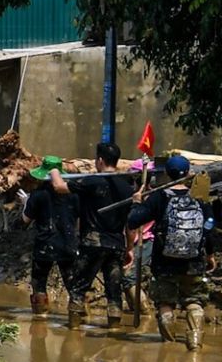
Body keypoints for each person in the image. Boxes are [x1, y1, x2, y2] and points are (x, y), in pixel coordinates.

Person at [128, 154, 209, 349]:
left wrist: (137, 202)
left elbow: (133, 221)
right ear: (188, 173)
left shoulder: (159, 197)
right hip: (194, 260)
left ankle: (169, 346)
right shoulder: (200, 196)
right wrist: (211, 254)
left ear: (166, 174)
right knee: (194, 300)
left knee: (165, 302)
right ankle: (195, 341)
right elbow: (208, 227)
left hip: (164, 260)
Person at [70, 141, 134, 326]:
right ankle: (114, 329)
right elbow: (129, 224)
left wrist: (54, 173)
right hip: (116, 245)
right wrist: (129, 248)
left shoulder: (91, 182)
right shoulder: (126, 188)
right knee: (114, 290)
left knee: (78, 288)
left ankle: (73, 331)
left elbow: (60, 187)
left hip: (93, 243)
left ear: (99, 160)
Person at [22, 157, 84, 322]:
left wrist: (25, 203)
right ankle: (79, 322)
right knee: (73, 285)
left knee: (39, 284)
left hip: (44, 245)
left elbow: (24, 221)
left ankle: (40, 321)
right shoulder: (74, 196)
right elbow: (78, 222)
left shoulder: (38, 195)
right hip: (68, 244)